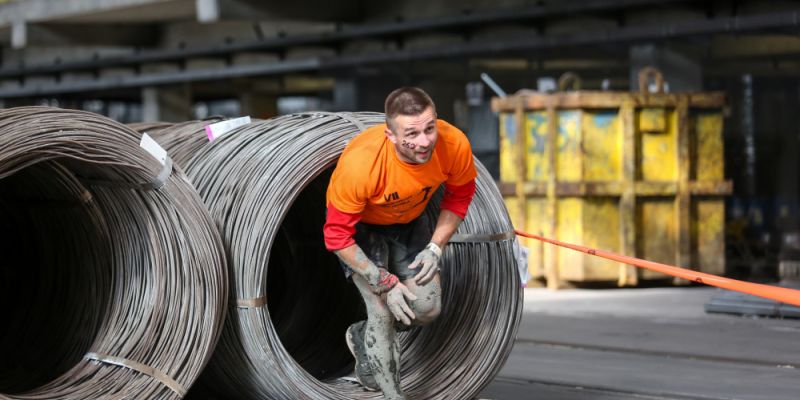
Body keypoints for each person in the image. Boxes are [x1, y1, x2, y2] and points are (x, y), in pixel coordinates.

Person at [323, 87, 477, 399]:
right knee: (381, 308)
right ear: (390, 135)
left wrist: (435, 247)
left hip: (409, 222)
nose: (425, 142)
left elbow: (460, 196)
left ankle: (361, 334)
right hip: (361, 230)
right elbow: (336, 236)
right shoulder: (362, 165)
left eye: (429, 128)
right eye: (412, 133)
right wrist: (385, 281)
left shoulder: (454, 143)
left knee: (428, 308)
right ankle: (393, 395)